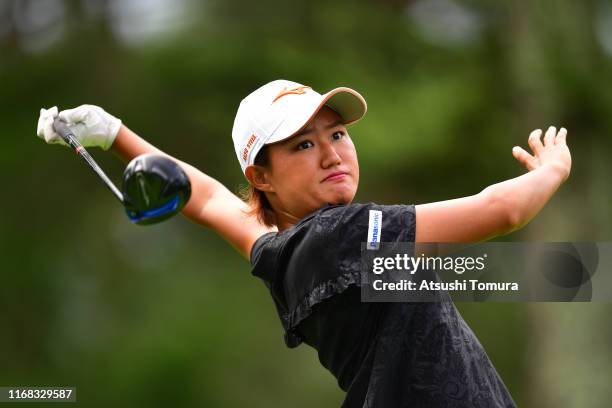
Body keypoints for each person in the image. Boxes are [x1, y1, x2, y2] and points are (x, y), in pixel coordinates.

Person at [37, 79, 571, 407]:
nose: (333, 155)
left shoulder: (277, 249)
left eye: (337, 134)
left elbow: (207, 199)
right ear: (263, 176)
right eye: (304, 145)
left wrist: (112, 133)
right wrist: (551, 170)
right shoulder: (341, 235)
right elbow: (505, 210)